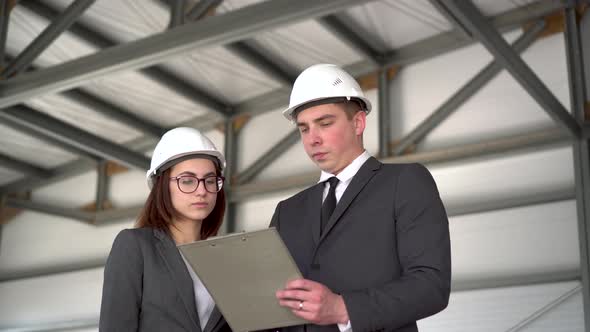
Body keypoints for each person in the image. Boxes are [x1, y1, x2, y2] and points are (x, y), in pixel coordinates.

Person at [272, 64, 451, 332]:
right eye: (304, 128)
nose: (313, 139)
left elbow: (430, 284)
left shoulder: (404, 183)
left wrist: (343, 309)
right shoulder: (287, 211)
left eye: (324, 123)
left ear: (358, 123)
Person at [99, 127, 231, 332]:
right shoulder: (135, 246)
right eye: (187, 181)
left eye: (210, 180)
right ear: (162, 186)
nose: (202, 191)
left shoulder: (224, 256)